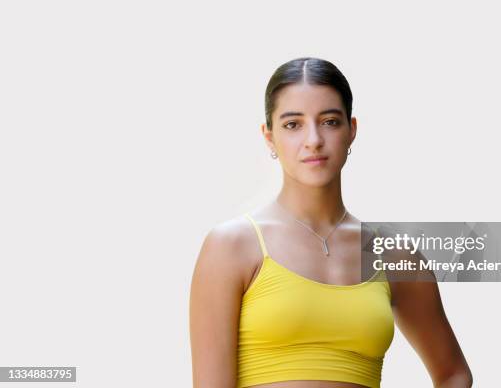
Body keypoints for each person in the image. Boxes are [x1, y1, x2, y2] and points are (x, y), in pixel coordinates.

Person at [190, 57, 473, 388]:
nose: (313, 140)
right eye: (293, 124)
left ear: (351, 130)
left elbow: (454, 374)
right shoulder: (231, 247)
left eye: (329, 121)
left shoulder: (392, 254)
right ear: (269, 137)